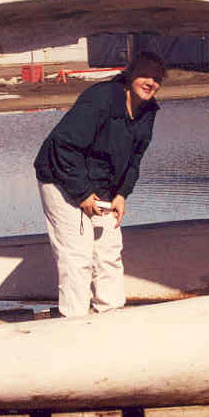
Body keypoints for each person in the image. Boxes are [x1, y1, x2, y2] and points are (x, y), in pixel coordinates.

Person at [34, 52, 165, 317]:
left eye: (156, 78)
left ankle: (112, 315)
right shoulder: (101, 99)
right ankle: (74, 321)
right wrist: (82, 194)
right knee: (78, 256)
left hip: (101, 184)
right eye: (144, 75)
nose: (150, 82)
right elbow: (63, 146)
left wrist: (121, 194)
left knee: (108, 251)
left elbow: (135, 158)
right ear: (130, 76)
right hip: (61, 176)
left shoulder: (148, 111)